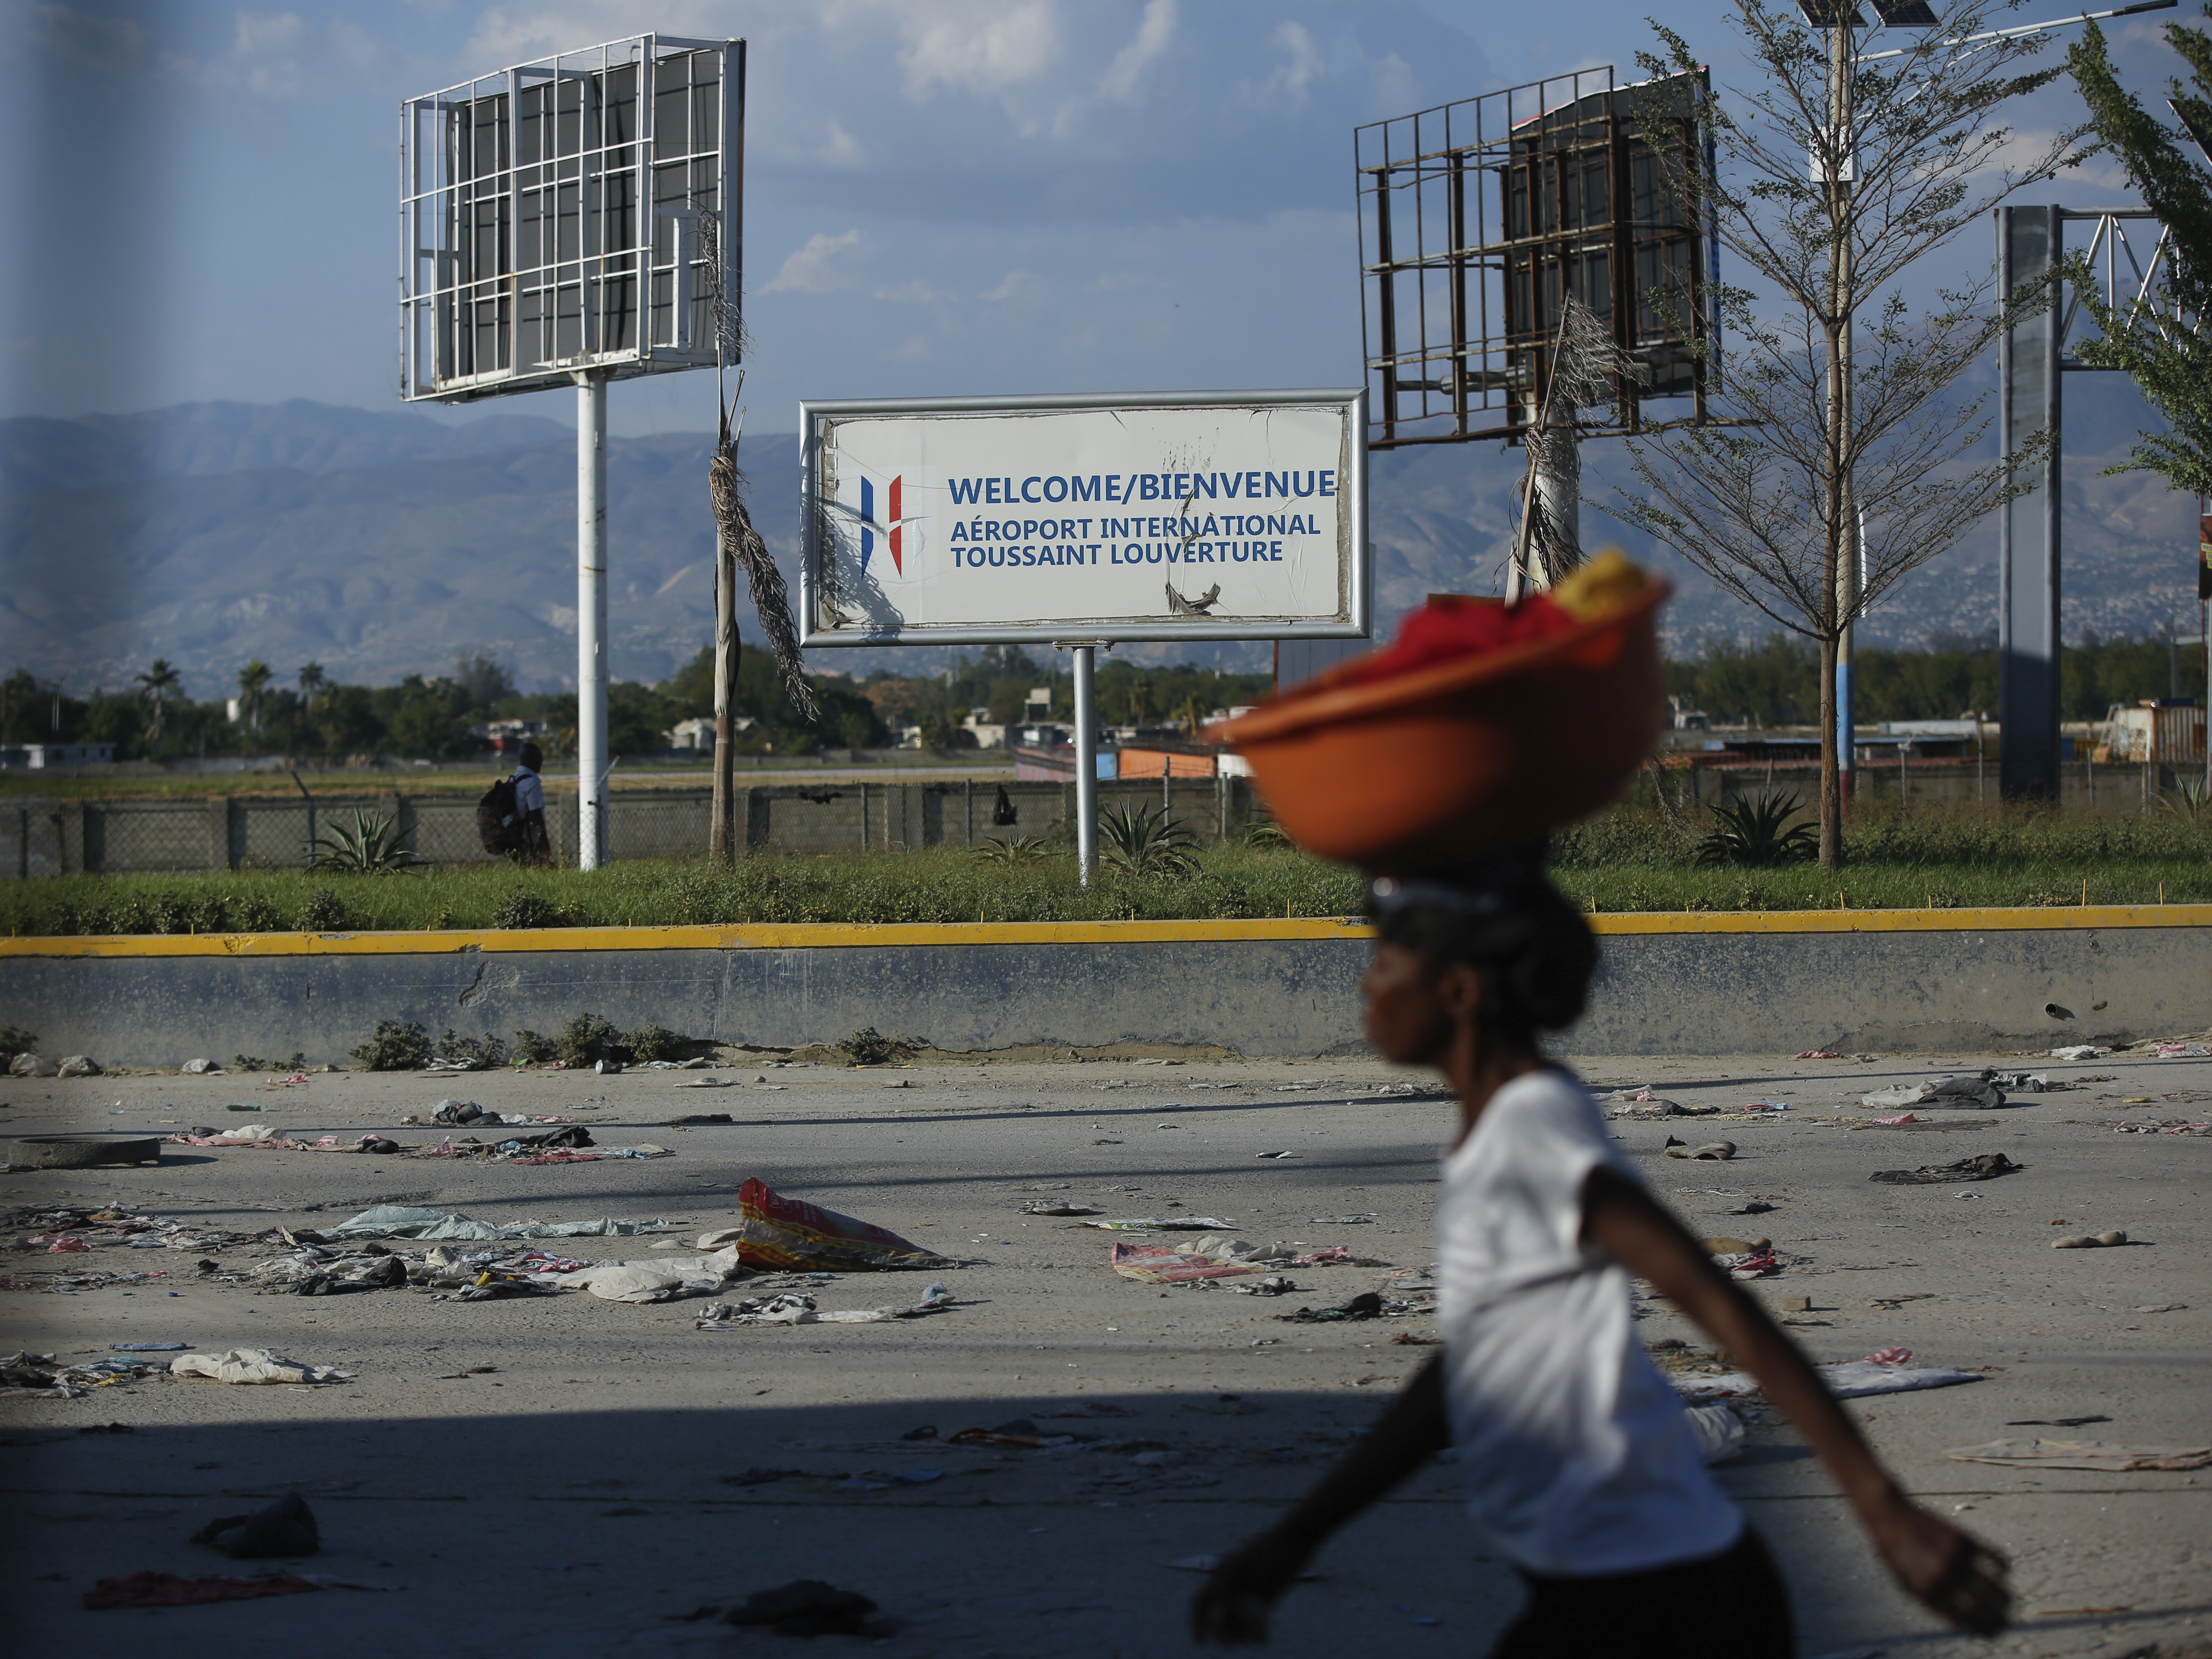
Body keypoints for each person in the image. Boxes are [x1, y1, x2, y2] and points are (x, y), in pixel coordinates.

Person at [1190, 853, 2010, 1656]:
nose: (1366, 986)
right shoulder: (1499, 1132)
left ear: (1459, 992)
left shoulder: (1533, 1133)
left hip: (1659, 1591)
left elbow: (1719, 1305)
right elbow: (1464, 1371)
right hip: (1628, 1575)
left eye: (1385, 963)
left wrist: (1882, 1509)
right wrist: (1295, 1539)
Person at [509, 741, 551, 866]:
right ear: (531, 759)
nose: (542, 762)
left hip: (513, 838)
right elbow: (536, 817)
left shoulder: (514, 779)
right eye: (540, 758)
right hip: (528, 841)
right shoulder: (532, 782)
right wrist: (546, 848)